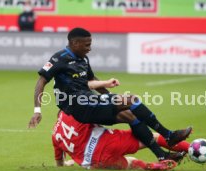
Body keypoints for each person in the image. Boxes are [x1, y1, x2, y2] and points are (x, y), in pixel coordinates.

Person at [28, 27, 192, 162]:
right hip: (77, 106)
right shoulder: (59, 59)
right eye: (86, 45)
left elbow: (92, 79)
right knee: (132, 100)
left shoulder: (83, 59)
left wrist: (109, 97)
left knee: (128, 114)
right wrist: (37, 111)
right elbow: (41, 82)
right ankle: (168, 135)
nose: (89, 48)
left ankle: (162, 155)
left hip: (89, 101)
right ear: (74, 43)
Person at [53, 111, 206, 170]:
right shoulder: (76, 113)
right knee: (152, 137)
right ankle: (192, 148)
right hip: (109, 142)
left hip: (96, 162)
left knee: (131, 163)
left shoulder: (54, 135)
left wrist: (65, 164)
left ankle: (149, 166)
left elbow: (59, 161)